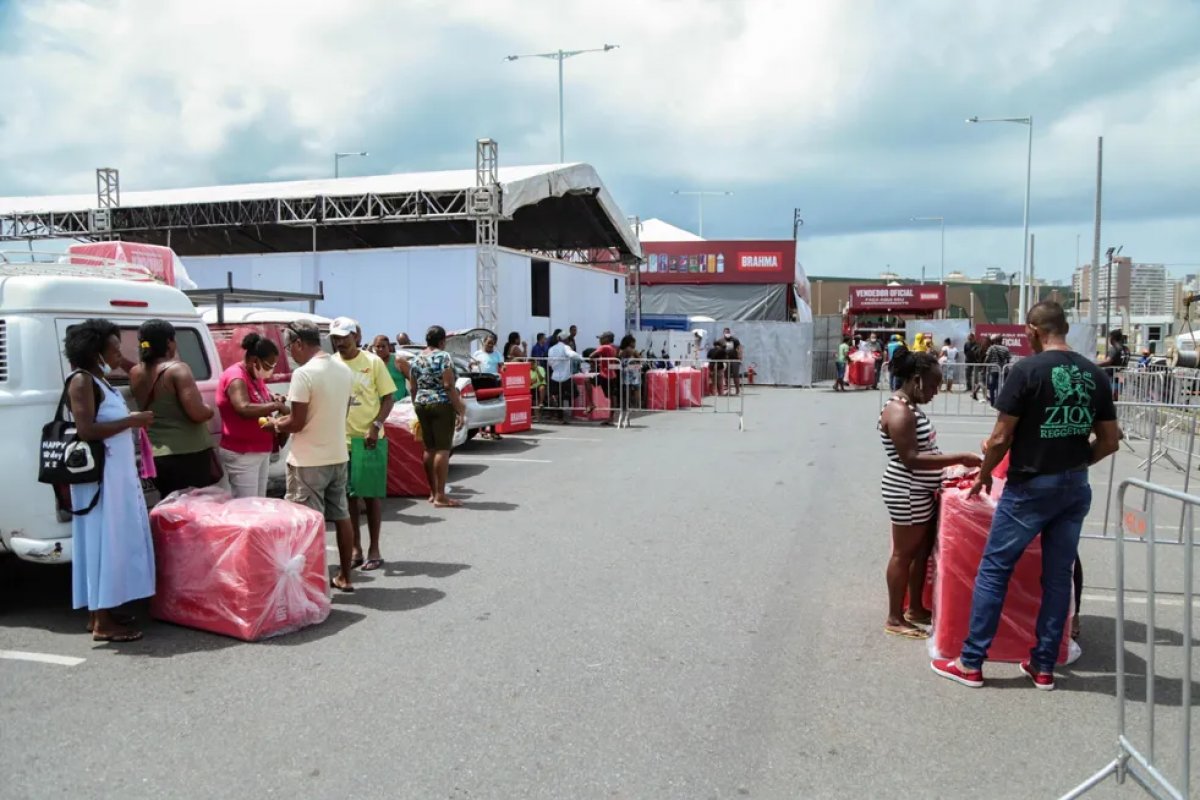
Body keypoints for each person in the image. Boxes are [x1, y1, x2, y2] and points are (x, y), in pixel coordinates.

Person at [932, 301, 1122, 690]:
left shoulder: (1028, 370)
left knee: (994, 571)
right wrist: (1077, 458)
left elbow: (1001, 437)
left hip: (1030, 487)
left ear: (1033, 330)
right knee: (1057, 577)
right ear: (1064, 328)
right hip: (1074, 486)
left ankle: (970, 662)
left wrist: (983, 476)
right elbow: (1110, 440)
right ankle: (1044, 664)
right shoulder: (1094, 374)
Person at [63, 319, 156, 642]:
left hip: (114, 477)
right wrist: (131, 420)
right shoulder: (81, 381)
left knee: (113, 540)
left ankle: (100, 611)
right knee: (104, 541)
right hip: (100, 479)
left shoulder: (100, 380)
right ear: (94, 351)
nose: (119, 354)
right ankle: (102, 621)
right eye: (114, 348)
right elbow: (86, 430)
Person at [878, 350, 982, 639]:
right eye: (934, 384)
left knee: (921, 552)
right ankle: (895, 616)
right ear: (916, 380)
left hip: (919, 490)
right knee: (904, 554)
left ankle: (915, 609)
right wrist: (958, 457)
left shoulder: (910, 406)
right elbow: (910, 458)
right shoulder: (899, 410)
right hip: (907, 490)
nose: (937, 391)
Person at [273, 320, 356, 592]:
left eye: (288, 348)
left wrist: (274, 424)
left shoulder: (304, 374)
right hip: (338, 455)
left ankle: (310, 585)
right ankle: (345, 576)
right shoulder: (343, 369)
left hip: (308, 461)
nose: (289, 354)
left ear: (298, 343)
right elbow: (340, 413)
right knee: (341, 516)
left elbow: (296, 423)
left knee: (306, 525)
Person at [331, 318, 396, 572]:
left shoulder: (372, 362)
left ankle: (374, 548)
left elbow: (388, 398)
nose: (339, 342)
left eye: (344, 337)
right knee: (348, 498)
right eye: (335, 338)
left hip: (369, 440)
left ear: (357, 337)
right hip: (339, 441)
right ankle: (355, 547)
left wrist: (376, 425)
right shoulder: (332, 363)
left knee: (370, 498)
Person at [130, 319, 219, 497]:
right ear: (170, 343)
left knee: (170, 508)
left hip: (156, 455)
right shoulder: (178, 369)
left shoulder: (135, 372)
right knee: (193, 510)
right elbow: (197, 413)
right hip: (188, 453)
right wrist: (209, 410)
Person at [216, 332, 288, 498]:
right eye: (269, 366)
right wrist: (275, 405)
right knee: (247, 507)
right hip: (243, 453)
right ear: (255, 361)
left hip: (259, 451)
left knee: (258, 504)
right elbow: (243, 408)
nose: (270, 370)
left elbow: (261, 397)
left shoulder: (254, 375)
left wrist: (273, 397)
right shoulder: (236, 377)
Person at [408, 325, 467, 507]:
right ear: (442, 341)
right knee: (443, 449)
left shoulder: (417, 358)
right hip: (441, 403)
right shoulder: (443, 356)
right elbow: (448, 385)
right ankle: (441, 496)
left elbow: (413, 386)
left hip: (421, 403)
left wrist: (416, 404)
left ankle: (433, 492)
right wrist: (459, 409)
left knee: (429, 448)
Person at [547, 333, 582, 422]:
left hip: (555, 376)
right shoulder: (565, 347)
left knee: (557, 396)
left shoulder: (551, 349)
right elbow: (572, 355)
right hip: (565, 376)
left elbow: (550, 363)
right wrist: (582, 358)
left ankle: (560, 416)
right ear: (566, 339)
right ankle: (569, 409)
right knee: (575, 393)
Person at [590, 331, 621, 424]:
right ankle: (611, 416)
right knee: (612, 396)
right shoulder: (615, 347)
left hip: (605, 374)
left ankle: (591, 404)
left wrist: (595, 361)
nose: (599, 340)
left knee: (587, 381)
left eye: (601, 338)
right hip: (612, 374)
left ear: (607, 338)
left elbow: (591, 355)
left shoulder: (604, 347)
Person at [372, 335, 409, 403]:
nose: (380, 349)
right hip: (380, 406)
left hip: (400, 405)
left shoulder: (398, 361)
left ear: (388, 347)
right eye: (378, 346)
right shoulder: (373, 364)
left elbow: (413, 380)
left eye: (383, 346)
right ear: (374, 348)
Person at [1097, 329, 1130, 400]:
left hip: (1111, 376)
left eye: (1109, 337)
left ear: (1112, 338)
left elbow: (1108, 362)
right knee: (1115, 396)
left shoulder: (1115, 348)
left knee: (1109, 397)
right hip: (1120, 375)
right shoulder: (1126, 349)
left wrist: (1095, 365)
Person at [983, 335, 1012, 407]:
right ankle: (1001, 403)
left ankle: (993, 403)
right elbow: (1008, 360)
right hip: (1004, 371)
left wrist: (984, 367)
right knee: (1001, 387)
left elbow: (987, 359)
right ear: (1002, 340)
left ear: (995, 340)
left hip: (994, 370)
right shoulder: (1006, 348)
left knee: (992, 387)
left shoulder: (992, 348)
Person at [619, 334, 643, 411]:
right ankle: (636, 406)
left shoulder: (621, 351)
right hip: (633, 372)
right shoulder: (632, 350)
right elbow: (640, 359)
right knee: (636, 389)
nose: (635, 344)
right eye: (634, 342)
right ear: (630, 342)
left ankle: (627, 405)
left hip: (624, 371)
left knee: (626, 389)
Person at [722, 328, 744, 394]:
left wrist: (740, 357)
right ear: (723, 333)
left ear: (730, 332)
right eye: (726, 332)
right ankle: (728, 390)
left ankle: (737, 390)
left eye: (728, 332)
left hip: (735, 360)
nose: (727, 333)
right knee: (726, 375)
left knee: (735, 375)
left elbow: (740, 348)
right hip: (726, 360)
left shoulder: (735, 340)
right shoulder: (721, 340)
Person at [964, 333, 982, 401]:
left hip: (975, 362)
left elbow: (979, 352)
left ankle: (975, 389)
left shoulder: (977, 344)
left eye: (970, 338)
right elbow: (965, 352)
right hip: (968, 361)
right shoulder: (966, 344)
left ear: (973, 338)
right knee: (967, 375)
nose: (969, 340)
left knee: (976, 376)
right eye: (968, 338)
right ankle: (968, 387)